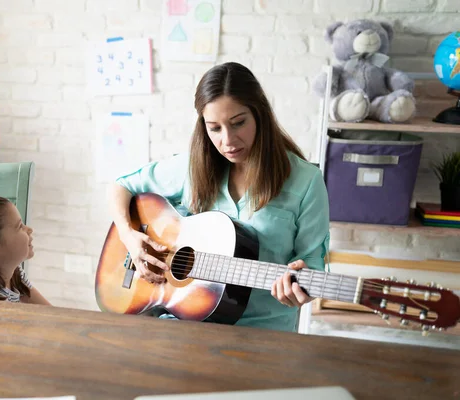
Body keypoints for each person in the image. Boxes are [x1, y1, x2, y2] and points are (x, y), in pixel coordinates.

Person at [108, 62, 330, 332]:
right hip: (182, 326)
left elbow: (313, 265)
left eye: (238, 123)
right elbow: (121, 186)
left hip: (266, 332)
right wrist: (129, 237)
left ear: (260, 114)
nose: (227, 140)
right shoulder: (191, 167)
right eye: (215, 128)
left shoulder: (306, 181)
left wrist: (302, 288)